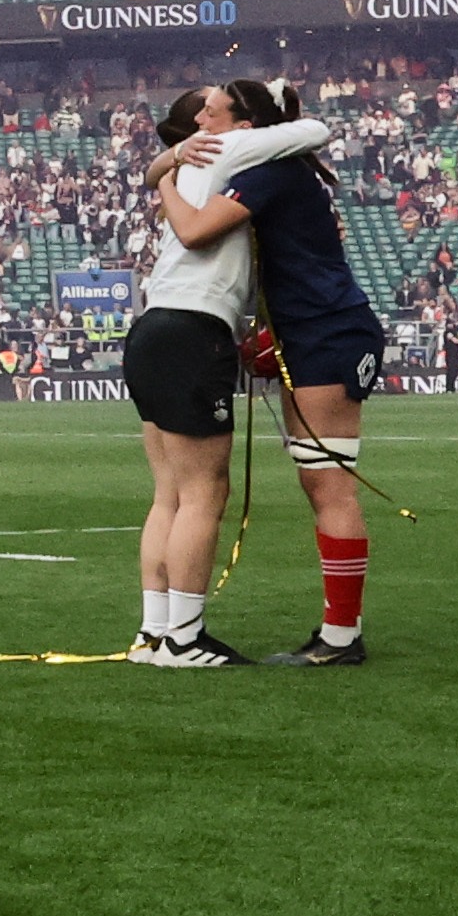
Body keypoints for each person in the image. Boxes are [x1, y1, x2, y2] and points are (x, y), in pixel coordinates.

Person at [152, 76, 376, 668]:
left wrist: (167, 177)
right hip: (315, 330)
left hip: (327, 331)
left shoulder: (268, 170)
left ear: (244, 127)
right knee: (322, 482)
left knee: (328, 483)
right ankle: (339, 632)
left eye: (212, 114)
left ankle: (341, 637)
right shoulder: (276, 168)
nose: (202, 125)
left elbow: (197, 232)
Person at [125, 97, 328, 668]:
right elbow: (317, 128)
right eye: (208, 109)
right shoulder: (231, 146)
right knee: (204, 494)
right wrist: (269, 110)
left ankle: (155, 633)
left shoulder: (185, 162)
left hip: (152, 325)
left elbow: (148, 173)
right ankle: (185, 640)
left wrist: (167, 159)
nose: (203, 121)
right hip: (193, 328)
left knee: (168, 493)